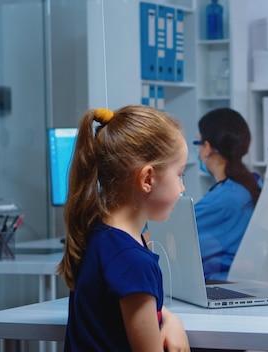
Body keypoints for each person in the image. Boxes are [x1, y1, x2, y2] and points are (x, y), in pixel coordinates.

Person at [57, 105, 190, 351]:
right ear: (148, 179)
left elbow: (130, 307)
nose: (182, 188)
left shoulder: (101, 236)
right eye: (180, 174)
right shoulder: (131, 260)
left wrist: (171, 320)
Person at [193, 107, 261, 281]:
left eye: (198, 143)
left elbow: (158, 240)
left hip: (220, 285)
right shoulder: (255, 183)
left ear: (207, 148)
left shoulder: (221, 200)